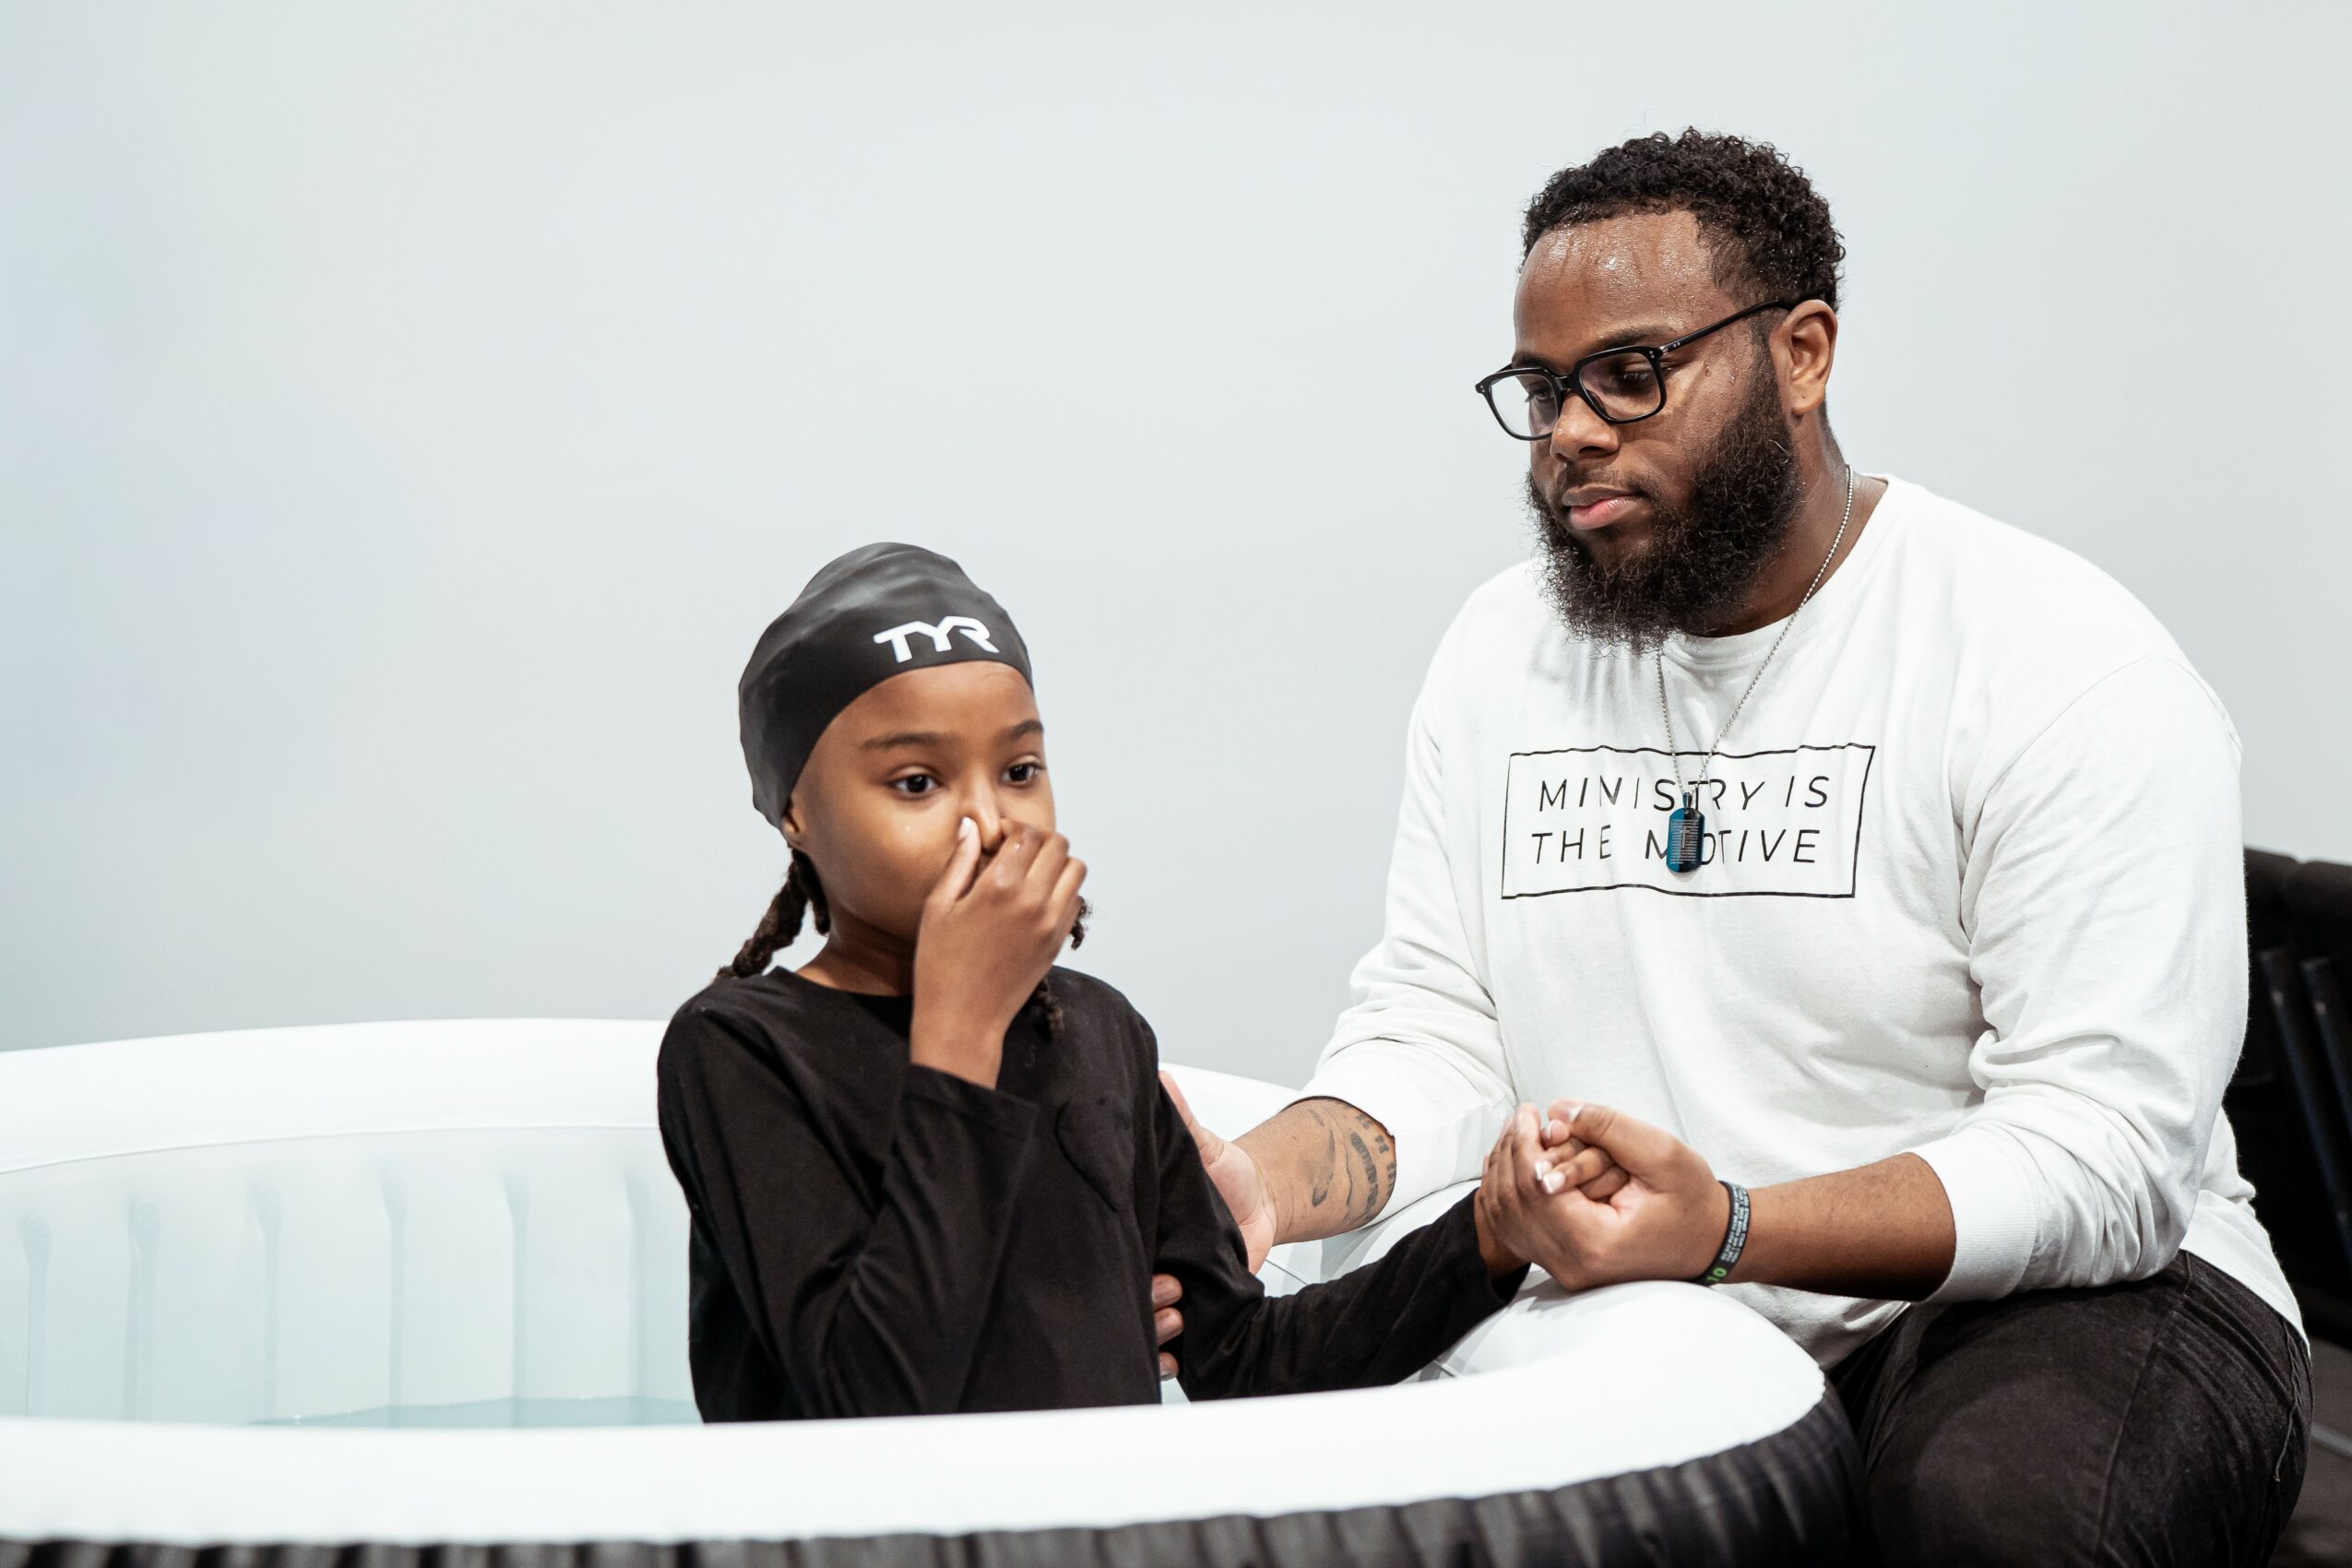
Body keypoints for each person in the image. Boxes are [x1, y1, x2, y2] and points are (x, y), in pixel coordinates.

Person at [1158, 131, 2310, 1563]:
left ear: (1803, 353)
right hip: (1688, 1304)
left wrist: (1730, 1226)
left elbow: (2106, 1165)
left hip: (2069, 1300)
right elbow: (1442, 1030)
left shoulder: (2054, 661)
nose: (1572, 431)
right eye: (1539, 390)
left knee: (1990, 1520)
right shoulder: (1501, 654)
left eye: (1628, 375)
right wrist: (1259, 1187)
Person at [654, 541, 1540, 1420]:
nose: (988, 822)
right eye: (917, 782)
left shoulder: (1097, 1035)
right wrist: (961, 1029)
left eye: (1019, 772)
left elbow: (1243, 1358)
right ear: (795, 812)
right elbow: (879, 1398)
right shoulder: (741, 1050)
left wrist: (1492, 1237)